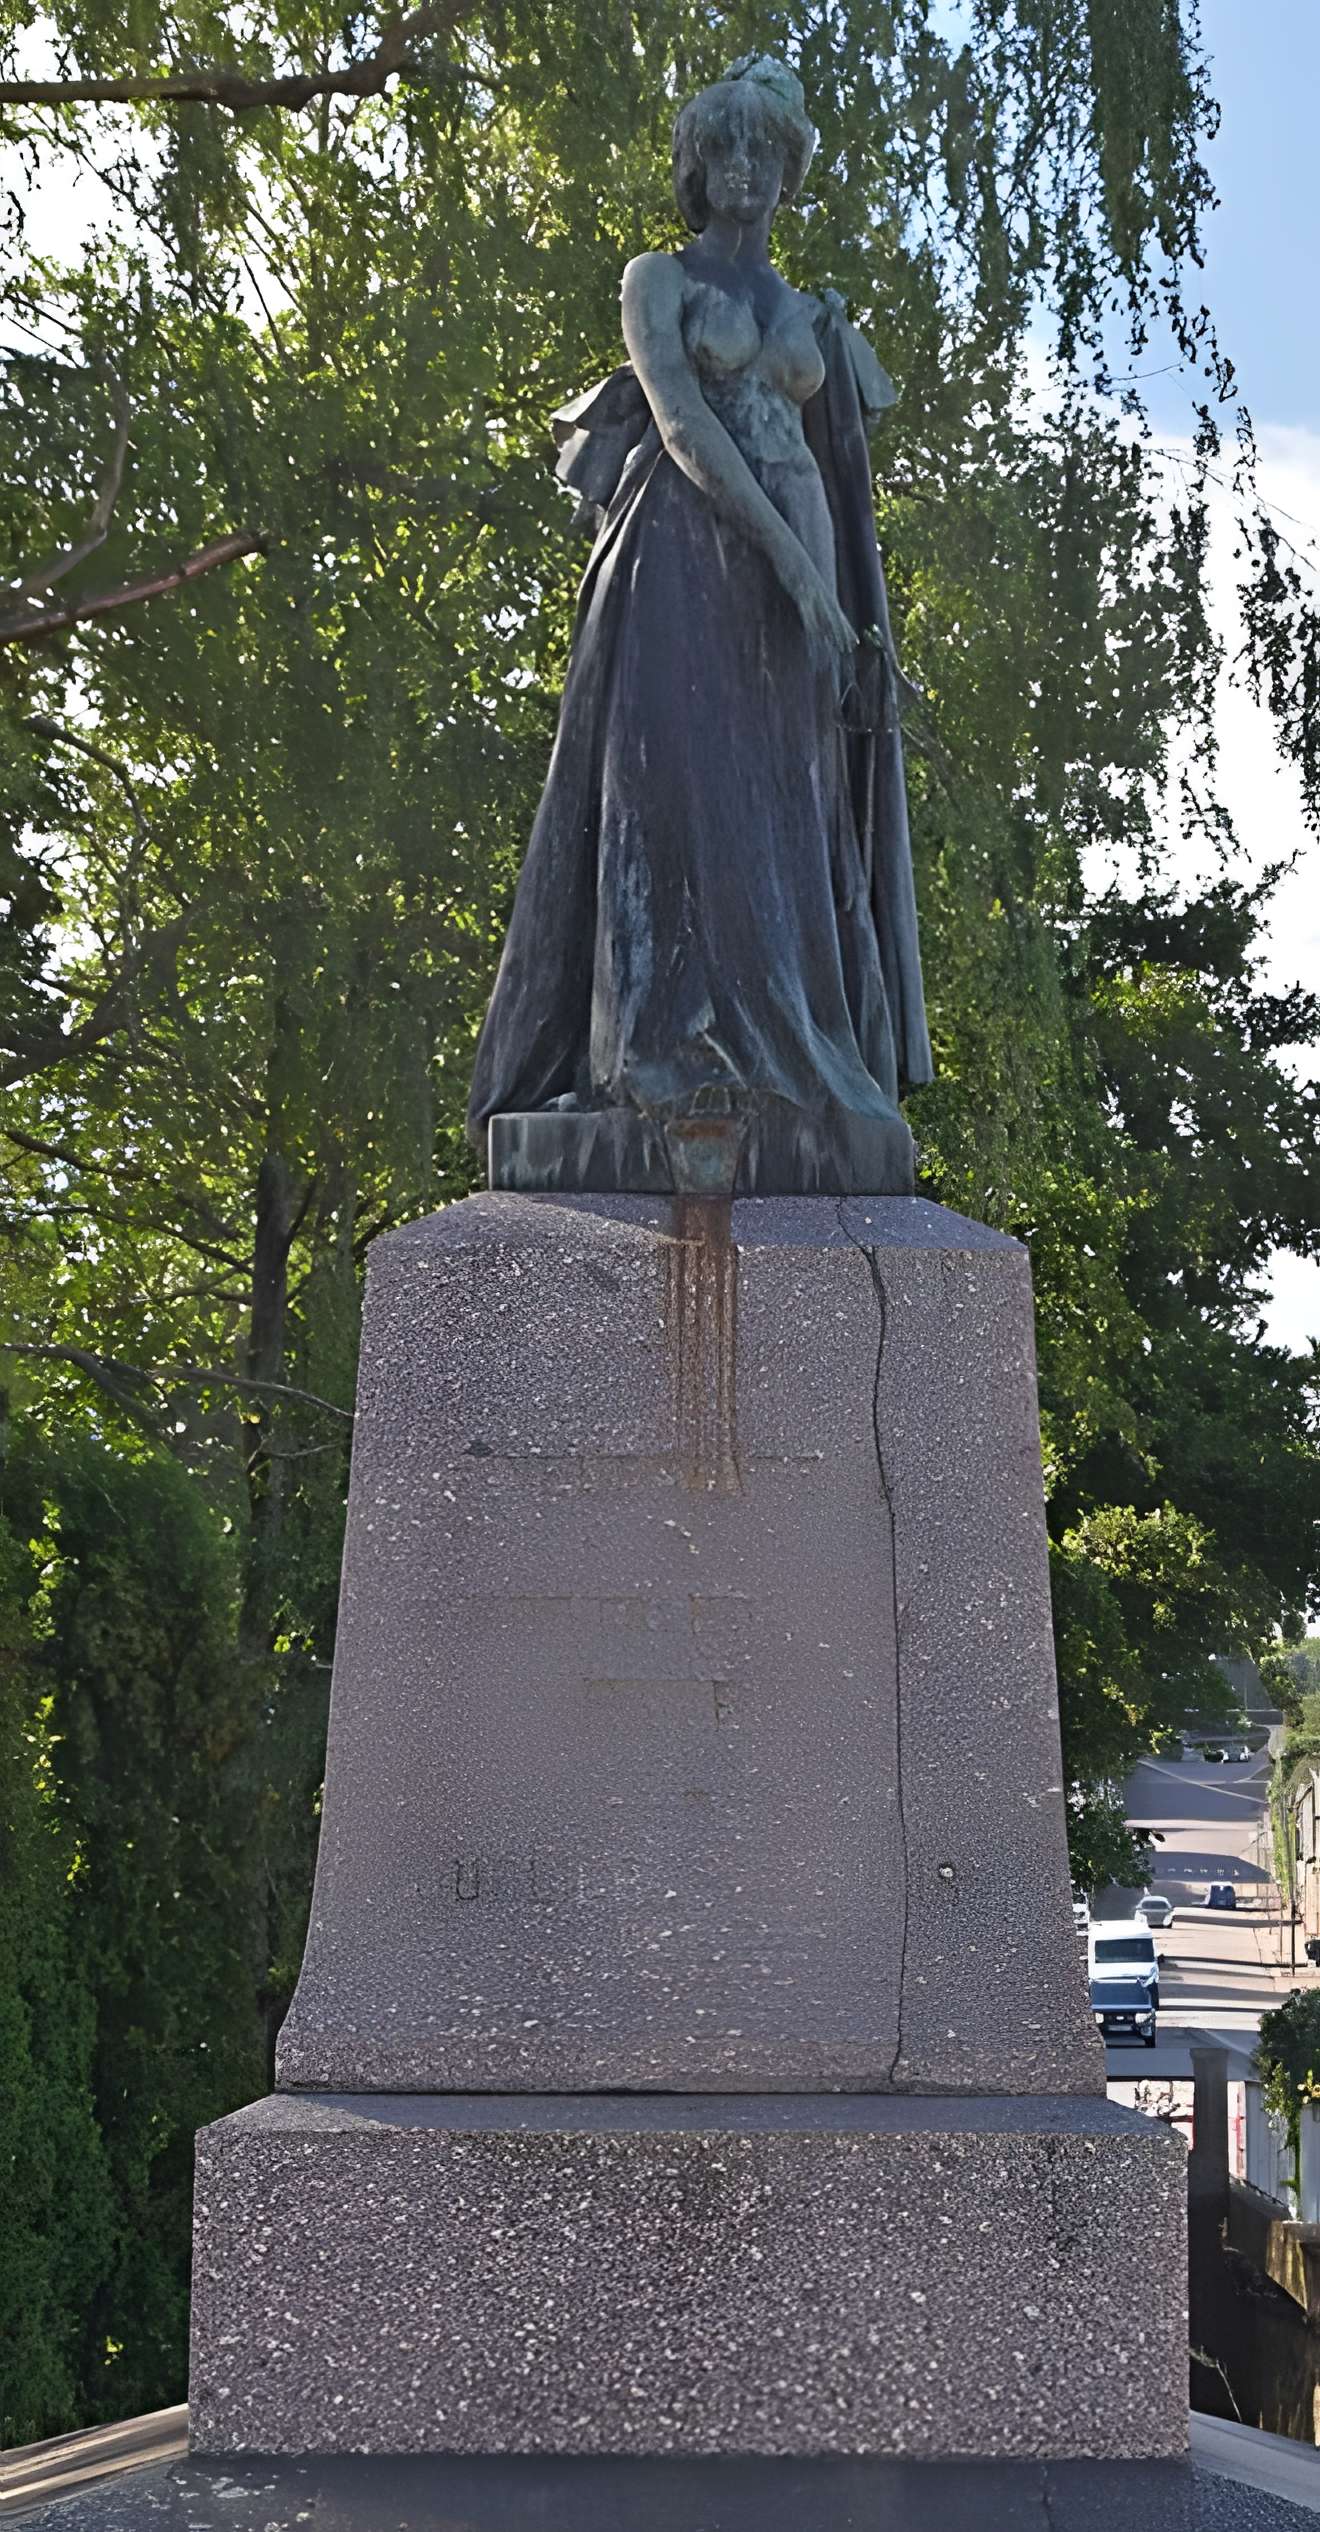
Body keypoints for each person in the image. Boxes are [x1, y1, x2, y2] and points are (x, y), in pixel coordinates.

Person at [467, 54, 933, 1192]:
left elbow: (845, 485)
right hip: (683, 555)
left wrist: (845, 608)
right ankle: (656, 1054)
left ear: (788, 170)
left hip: (802, 588)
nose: (742, 173)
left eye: (763, 153)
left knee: (790, 810)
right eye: (722, 150)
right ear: (693, 166)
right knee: (669, 796)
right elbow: (680, 423)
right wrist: (787, 561)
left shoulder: (813, 312)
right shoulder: (656, 281)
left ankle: (799, 1058)